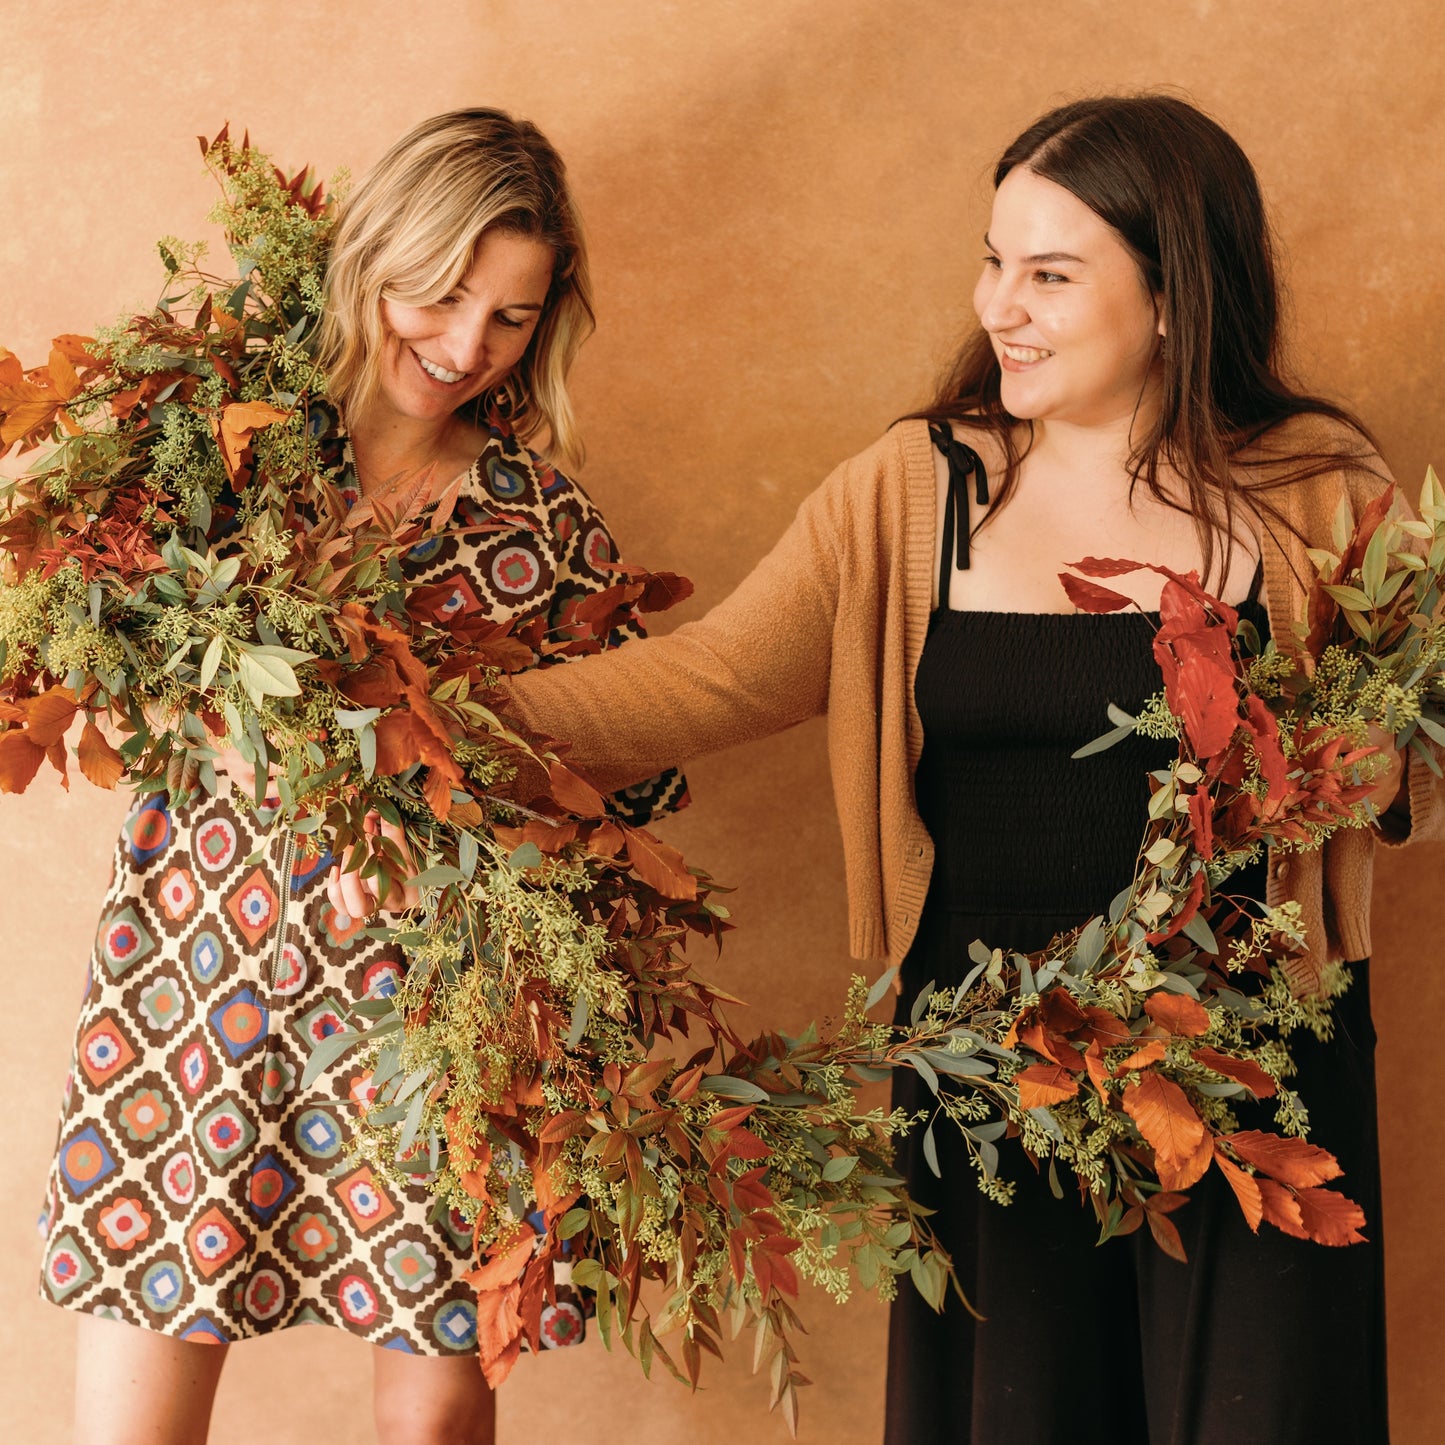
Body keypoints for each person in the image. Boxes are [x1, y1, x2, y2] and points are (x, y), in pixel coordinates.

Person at [500, 95, 1444, 1443]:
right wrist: (436, 715)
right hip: (992, 1067)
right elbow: (707, 676)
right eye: (993, 260)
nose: (1001, 304)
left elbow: (1411, 761)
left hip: (1253, 1071)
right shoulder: (915, 489)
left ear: (1174, 295)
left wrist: (1368, 759)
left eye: (1050, 274)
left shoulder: (1312, 493)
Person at [38, 108, 683, 1445]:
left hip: (431, 1025)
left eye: (510, 317)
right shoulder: (217, 442)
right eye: (440, 294)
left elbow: (630, 779)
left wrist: (476, 747)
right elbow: (73, 631)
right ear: (369, 254)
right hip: (191, 987)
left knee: (433, 1427)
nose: (463, 348)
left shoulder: (540, 520)